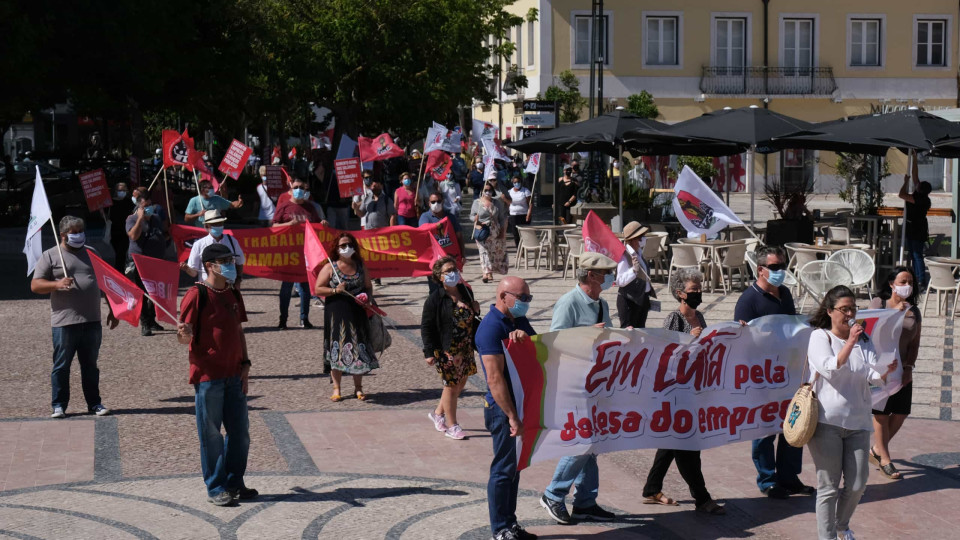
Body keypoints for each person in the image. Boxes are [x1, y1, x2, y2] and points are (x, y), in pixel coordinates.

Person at [806, 286, 898, 540]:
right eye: (844, 309)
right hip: (827, 421)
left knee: (858, 484)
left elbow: (868, 373)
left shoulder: (862, 339)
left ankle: (840, 524)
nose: (849, 314)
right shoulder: (820, 337)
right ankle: (827, 537)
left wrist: (883, 372)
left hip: (858, 421)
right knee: (828, 487)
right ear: (830, 311)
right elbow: (830, 369)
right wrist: (850, 342)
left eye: (853, 309)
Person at [176, 243, 256, 507]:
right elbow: (184, 333)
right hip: (208, 377)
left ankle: (235, 482)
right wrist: (183, 335)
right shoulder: (196, 294)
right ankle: (216, 486)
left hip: (235, 374)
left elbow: (239, 330)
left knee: (240, 433)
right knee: (211, 434)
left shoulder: (233, 293)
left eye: (231, 260)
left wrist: (246, 364)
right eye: (225, 261)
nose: (230, 265)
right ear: (210, 266)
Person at [641, 268, 725, 514]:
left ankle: (651, 489)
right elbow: (666, 354)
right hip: (674, 392)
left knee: (670, 443)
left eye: (699, 289)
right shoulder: (674, 319)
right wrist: (690, 338)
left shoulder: (700, 316)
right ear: (680, 294)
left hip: (694, 390)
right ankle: (702, 498)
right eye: (693, 290)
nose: (698, 293)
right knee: (687, 446)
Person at [540, 253, 617, 524]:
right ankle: (554, 493)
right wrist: (587, 333)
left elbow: (605, 337)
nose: (611, 278)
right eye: (606, 273)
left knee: (593, 443)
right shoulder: (568, 302)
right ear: (591, 276)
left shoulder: (601, 303)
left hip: (595, 382)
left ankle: (585, 502)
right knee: (581, 440)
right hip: (572, 383)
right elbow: (554, 342)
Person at [733, 246, 812, 499]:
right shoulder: (748, 300)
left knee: (793, 424)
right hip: (762, 377)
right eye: (775, 267)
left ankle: (789, 478)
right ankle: (768, 480)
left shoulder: (785, 294)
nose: (780, 271)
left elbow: (792, 328)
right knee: (765, 430)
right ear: (761, 269)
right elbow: (741, 341)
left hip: (787, 373)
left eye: (782, 266)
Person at [31, 216, 118, 418]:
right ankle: (59, 405)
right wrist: (56, 284)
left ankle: (94, 403)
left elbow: (105, 282)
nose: (79, 234)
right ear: (63, 235)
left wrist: (113, 309)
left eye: (81, 230)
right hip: (64, 322)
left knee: (90, 365)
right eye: (74, 231)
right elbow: (35, 285)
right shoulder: (51, 256)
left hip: (92, 320)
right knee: (62, 365)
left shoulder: (92, 252)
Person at [476, 276, 538, 540]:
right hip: (503, 410)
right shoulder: (490, 328)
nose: (526, 303)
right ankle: (499, 529)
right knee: (503, 469)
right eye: (522, 298)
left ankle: (510, 523)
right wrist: (512, 415)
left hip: (520, 404)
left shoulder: (517, 321)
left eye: (529, 298)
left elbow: (540, 349)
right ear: (503, 297)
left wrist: (525, 340)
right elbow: (494, 378)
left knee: (515, 468)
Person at [869, 266, 921, 480]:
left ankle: (877, 450)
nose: (906, 286)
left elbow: (915, 342)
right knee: (881, 412)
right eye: (902, 281)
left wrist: (909, 367)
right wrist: (894, 313)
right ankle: (885, 459)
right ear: (891, 284)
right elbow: (868, 329)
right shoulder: (878, 304)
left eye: (910, 282)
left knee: (900, 411)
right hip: (880, 367)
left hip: (902, 367)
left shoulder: (914, 310)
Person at [421, 256, 480, 440]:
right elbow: (427, 326)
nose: (453, 273)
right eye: (448, 271)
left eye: (454, 269)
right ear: (439, 276)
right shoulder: (435, 299)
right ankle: (452, 425)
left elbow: (471, 315)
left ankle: (438, 414)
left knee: (461, 382)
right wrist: (429, 352)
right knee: (451, 386)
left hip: (465, 347)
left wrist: (475, 308)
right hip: (446, 349)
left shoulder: (465, 291)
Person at [314, 233, 378, 401]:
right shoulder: (330, 267)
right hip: (337, 313)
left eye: (349, 244)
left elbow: (368, 287)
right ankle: (337, 388)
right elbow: (318, 289)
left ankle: (358, 388)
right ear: (336, 249)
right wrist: (335, 290)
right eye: (342, 246)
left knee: (359, 349)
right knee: (337, 349)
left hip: (358, 312)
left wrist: (367, 298)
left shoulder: (360, 266)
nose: (346, 248)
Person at [273, 177, 323, 329]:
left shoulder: (310, 208)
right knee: (286, 288)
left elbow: (317, 225)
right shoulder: (284, 206)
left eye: (303, 187)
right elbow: (274, 226)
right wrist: (288, 224)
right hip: (288, 254)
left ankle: (304, 318)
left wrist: (322, 224)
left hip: (306, 254)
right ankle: (283, 320)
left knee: (306, 289)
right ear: (291, 188)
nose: (300, 190)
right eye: (297, 186)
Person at [126, 190, 167, 336]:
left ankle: (151, 319)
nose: (149, 207)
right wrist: (140, 219)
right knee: (142, 292)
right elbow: (133, 236)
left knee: (155, 292)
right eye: (145, 206)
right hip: (139, 261)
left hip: (155, 260)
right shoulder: (131, 219)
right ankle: (144, 323)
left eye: (150, 205)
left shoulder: (155, 218)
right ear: (139, 207)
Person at [182, 210, 245, 288]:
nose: (218, 226)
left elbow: (239, 262)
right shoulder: (199, 244)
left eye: (220, 223)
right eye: (215, 224)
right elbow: (194, 272)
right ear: (207, 226)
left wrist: (238, 280)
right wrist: (187, 269)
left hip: (229, 287)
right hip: (208, 288)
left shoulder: (232, 241)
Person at [899, 154, 932, 287]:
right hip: (913, 227)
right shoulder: (920, 194)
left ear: (920, 190)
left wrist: (905, 181)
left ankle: (921, 279)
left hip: (917, 229)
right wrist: (914, 158)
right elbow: (915, 175)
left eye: (918, 185)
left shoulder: (920, 199)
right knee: (913, 253)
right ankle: (916, 277)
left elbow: (901, 195)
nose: (916, 185)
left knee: (917, 254)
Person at [615, 221, 655, 328]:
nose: (643, 239)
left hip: (641, 299)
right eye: (641, 237)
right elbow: (620, 281)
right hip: (629, 301)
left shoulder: (639, 253)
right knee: (629, 335)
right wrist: (633, 271)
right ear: (633, 239)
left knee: (640, 332)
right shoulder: (625, 256)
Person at [471, 182, 509, 283]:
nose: (488, 192)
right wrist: (475, 219)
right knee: (483, 252)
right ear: (482, 191)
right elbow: (471, 216)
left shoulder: (497, 203)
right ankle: (486, 273)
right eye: (486, 190)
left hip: (495, 232)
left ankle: (490, 272)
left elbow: (501, 218)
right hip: (482, 231)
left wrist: (502, 232)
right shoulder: (477, 203)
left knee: (493, 252)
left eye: (490, 190)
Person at [108, 182, 134, 271]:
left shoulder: (130, 202)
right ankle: (120, 271)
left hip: (125, 232)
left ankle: (119, 273)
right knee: (118, 254)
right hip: (114, 232)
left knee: (121, 254)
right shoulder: (110, 203)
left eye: (123, 190)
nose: (121, 192)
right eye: (119, 190)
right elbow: (106, 216)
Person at [503, 175, 531, 247]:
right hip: (513, 215)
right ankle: (519, 249)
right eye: (515, 182)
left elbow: (530, 203)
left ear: (521, 182)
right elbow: (508, 203)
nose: (516, 183)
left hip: (524, 215)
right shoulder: (509, 192)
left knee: (525, 233)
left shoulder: (525, 191)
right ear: (512, 183)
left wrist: (529, 214)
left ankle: (525, 248)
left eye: (518, 182)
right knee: (516, 234)